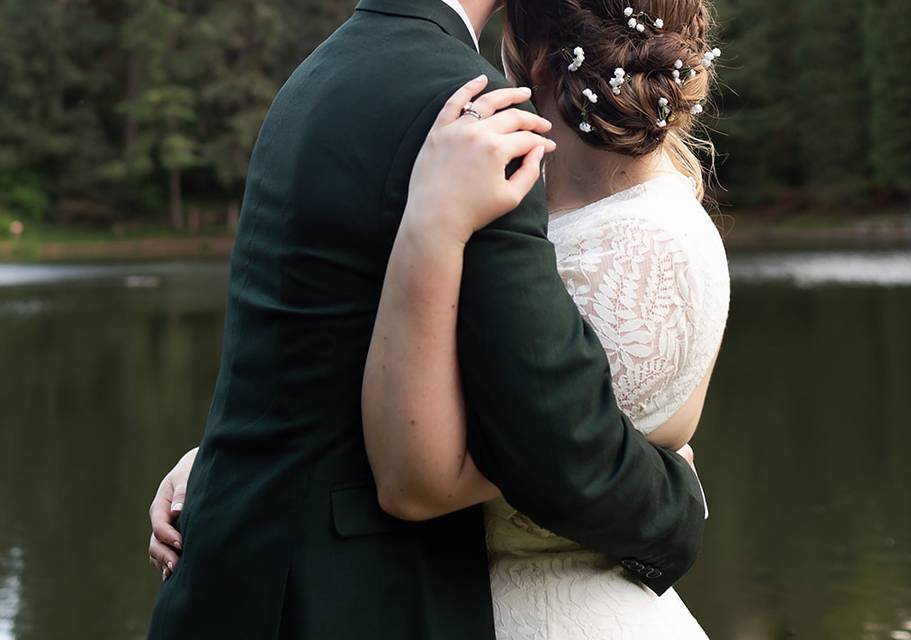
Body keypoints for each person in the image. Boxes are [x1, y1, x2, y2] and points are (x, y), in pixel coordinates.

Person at [146, 1, 710, 638]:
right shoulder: (473, 110)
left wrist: (216, 462)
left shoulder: (316, 75)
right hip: (350, 601)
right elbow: (551, 438)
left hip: (230, 581)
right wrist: (678, 506)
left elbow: (306, 340)